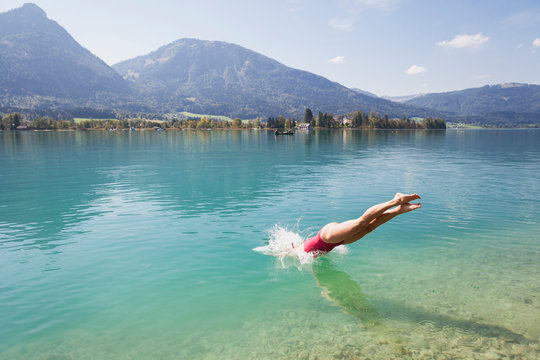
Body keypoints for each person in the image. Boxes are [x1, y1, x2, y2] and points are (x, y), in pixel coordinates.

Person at [300, 193, 421, 255]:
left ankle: (396, 200)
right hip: (336, 243)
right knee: (368, 228)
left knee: (361, 223)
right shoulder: (297, 252)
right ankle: (399, 209)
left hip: (327, 237)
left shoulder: (293, 251)